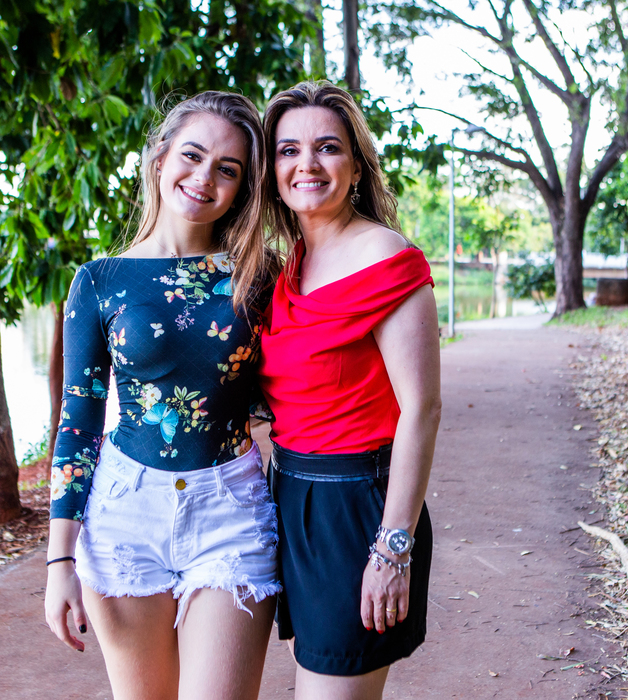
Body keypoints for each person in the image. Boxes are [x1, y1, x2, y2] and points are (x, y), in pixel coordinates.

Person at [43, 91, 283, 700]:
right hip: (125, 512)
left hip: (231, 509)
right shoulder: (100, 280)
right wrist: (59, 562)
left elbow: (297, 385)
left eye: (227, 169)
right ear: (160, 159)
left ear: (242, 188)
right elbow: (78, 421)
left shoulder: (261, 275)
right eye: (192, 156)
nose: (204, 178)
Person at [258, 81, 442, 699]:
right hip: (293, 499)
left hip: (357, 509)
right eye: (288, 150)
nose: (306, 164)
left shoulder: (386, 257)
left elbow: (422, 409)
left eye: (327, 147)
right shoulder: (288, 265)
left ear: (357, 166)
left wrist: (393, 547)